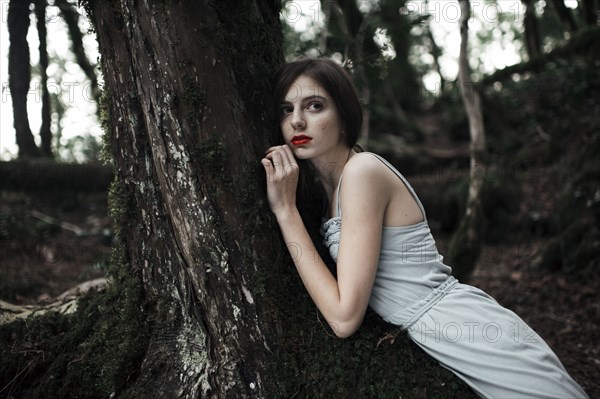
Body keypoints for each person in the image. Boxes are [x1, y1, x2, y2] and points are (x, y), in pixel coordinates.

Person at [260, 58, 588, 399]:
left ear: (344, 116)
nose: (297, 121)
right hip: (447, 327)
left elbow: (344, 318)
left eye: (315, 106)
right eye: (286, 109)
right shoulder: (330, 190)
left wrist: (285, 211)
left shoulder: (362, 172)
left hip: (465, 330)